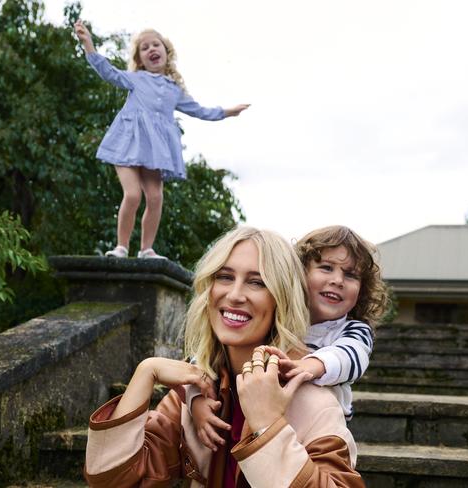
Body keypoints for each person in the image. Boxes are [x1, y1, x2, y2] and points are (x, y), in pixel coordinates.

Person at [84, 227, 364, 487]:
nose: (234, 294)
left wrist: (268, 426)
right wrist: (146, 372)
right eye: (225, 277)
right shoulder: (196, 394)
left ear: (282, 299)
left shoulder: (314, 403)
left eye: (257, 282)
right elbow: (111, 479)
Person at [191, 225, 388, 451]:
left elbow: (349, 356)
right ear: (299, 274)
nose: (338, 280)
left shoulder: (353, 330)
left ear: (362, 290)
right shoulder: (276, 320)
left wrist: (308, 366)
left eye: (351, 275)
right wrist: (196, 400)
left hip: (316, 431)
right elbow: (203, 359)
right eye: (326, 267)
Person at [74, 21, 249, 259]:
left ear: (167, 53)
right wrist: (88, 45)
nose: (151, 49)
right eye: (144, 48)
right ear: (140, 59)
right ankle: (121, 247)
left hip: (153, 152)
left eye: (156, 45)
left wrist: (227, 112)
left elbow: (199, 110)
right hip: (126, 144)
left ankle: (146, 249)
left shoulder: (173, 89)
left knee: (156, 198)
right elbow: (109, 72)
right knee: (133, 195)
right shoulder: (135, 79)